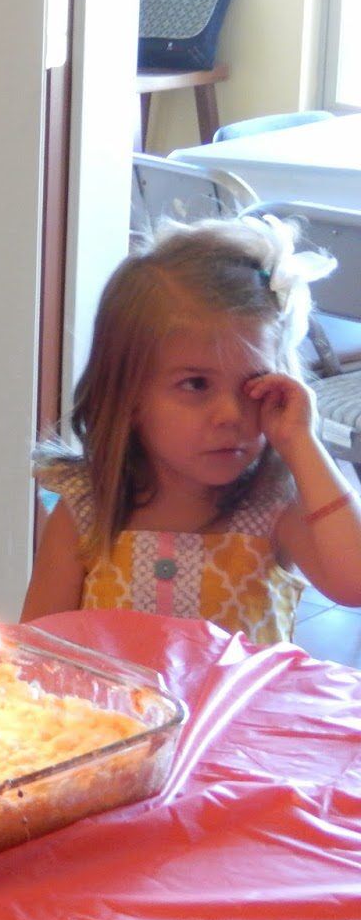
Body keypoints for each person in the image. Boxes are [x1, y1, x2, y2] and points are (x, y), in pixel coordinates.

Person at [22, 215, 361, 642]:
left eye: (254, 384)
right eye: (196, 384)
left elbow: (354, 584)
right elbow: (37, 648)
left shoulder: (276, 505)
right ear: (129, 396)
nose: (231, 414)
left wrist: (302, 444)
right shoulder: (87, 509)